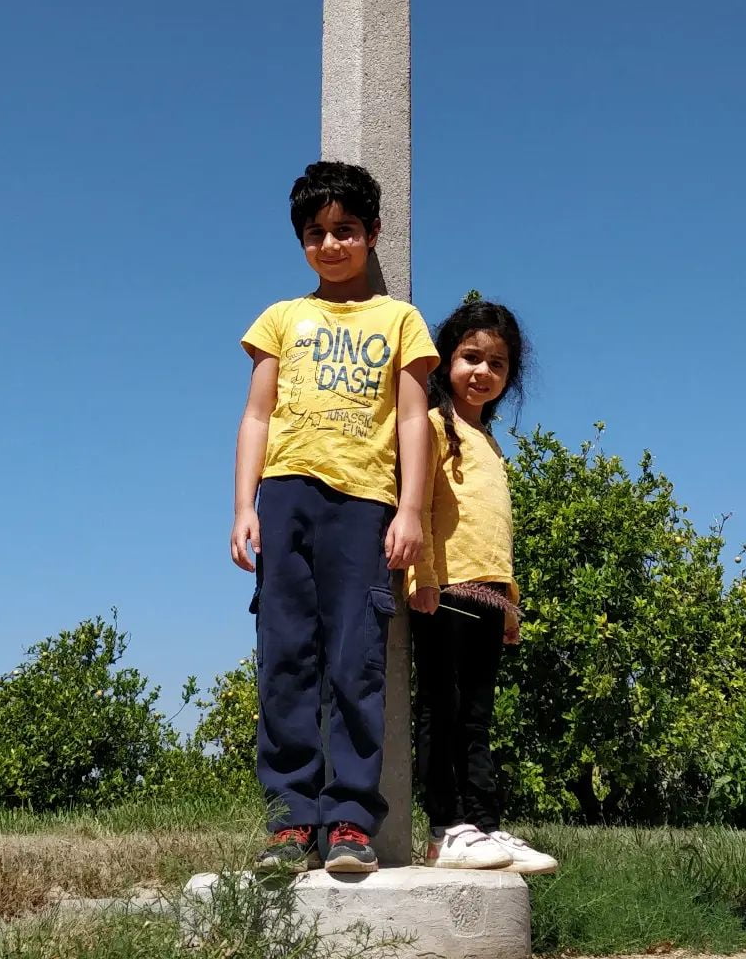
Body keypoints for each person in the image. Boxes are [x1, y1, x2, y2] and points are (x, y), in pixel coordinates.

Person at [231, 161, 438, 874]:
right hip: (286, 497)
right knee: (286, 657)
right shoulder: (281, 319)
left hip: (365, 506)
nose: (331, 244)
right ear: (301, 241)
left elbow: (413, 419)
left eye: (345, 229)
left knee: (357, 660)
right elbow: (256, 416)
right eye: (316, 233)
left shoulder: (399, 320)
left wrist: (410, 509)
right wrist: (243, 506)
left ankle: (349, 820)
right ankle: (291, 823)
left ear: (373, 233)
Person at [408, 297, 557, 874]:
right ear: (446, 359)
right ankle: (445, 828)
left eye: (497, 364)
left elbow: (496, 534)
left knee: (476, 717)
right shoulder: (432, 426)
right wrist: (421, 576)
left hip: (490, 598)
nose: (482, 372)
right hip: (445, 591)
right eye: (471, 357)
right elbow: (419, 507)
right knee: (441, 710)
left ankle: (485, 825)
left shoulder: (489, 443)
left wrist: (510, 606)